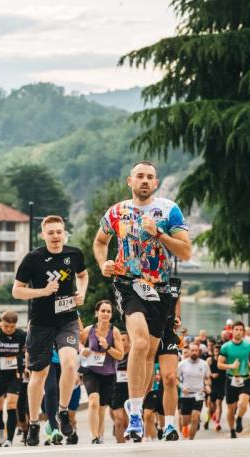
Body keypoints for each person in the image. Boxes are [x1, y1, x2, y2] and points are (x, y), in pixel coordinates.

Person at [93, 160, 191, 442]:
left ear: (156, 183)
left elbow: (185, 252)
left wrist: (159, 234)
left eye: (150, 177)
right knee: (139, 342)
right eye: (140, 176)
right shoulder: (117, 211)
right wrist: (104, 263)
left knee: (149, 353)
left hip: (159, 289)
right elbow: (100, 242)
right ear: (130, 181)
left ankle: (135, 402)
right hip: (127, 283)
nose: (145, 181)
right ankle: (135, 415)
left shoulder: (169, 210)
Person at [13, 215, 88, 446]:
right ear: (43, 235)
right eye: (51, 232)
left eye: (59, 232)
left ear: (64, 233)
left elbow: (83, 275)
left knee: (69, 363)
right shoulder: (33, 259)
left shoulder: (73, 254)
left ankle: (63, 411)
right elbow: (17, 291)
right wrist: (42, 292)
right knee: (39, 375)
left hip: (67, 320)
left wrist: (82, 292)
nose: (56, 236)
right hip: (41, 322)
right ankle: (34, 423)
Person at [80, 300, 124, 444]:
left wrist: (108, 347)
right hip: (91, 371)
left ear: (111, 315)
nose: (105, 314)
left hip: (109, 374)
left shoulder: (115, 331)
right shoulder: (88, 330)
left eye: (108, 311)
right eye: (103, 311)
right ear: (96, 313)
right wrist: (83, 350)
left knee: (101, 409)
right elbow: (77, 344)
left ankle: (99, 435)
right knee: (93, 401)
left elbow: (120, 355)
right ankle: (94, 436)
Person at [0, 310, 26, 447]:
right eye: (6, 326)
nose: (8, 329)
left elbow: (28, 351)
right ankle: (1, 427)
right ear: (1, 323)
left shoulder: (21, 335)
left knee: (12, 405)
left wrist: (26, 365)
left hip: (14, 374)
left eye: (12, 327)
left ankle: (9, 439)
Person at [155, 277, 184, 441]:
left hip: (168, 335)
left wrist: (177, 316)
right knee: (146, 381)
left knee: (170, 378)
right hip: (149, 334)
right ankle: (136, 411)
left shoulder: (173, 282)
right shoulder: (139, 276)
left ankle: (169, 425)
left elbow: (177, 297)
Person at [218, 321, 250, 439]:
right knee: (231, 408)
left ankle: (239, 418)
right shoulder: (226, 347)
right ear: (232, 331)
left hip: (245, 379)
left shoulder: (248, 346)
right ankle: (232, 430)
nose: (238, 332)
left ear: (243, 332)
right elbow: (220, 364)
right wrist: (231, 366)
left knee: (243, 403)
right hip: (230, 380)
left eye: (241, 330)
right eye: (236, 329)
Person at [177, 343, 210, 440]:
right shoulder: (182, 364)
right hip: (185, 395)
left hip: (199, 394)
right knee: (185, 421)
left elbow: (207, 378)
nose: (194, 352)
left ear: (199, 352)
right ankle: (185, 428)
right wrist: (182, 387)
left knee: (195, 418)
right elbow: (176, 378)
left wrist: (207, 385)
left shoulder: (204, 364)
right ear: (189, 351)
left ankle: (191, 441)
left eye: (196, 350)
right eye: (192, 350)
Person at [110, 332, 131, 443]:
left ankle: (138, 443)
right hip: (116, 390)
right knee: (119, 421)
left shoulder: (134, 355)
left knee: (128, 422)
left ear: (129, 342)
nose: (121, 342)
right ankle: (120, 446)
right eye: (119, 340)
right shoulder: (114, 354)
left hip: (131, 391)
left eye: (123, 340)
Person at [206, 341, 225, 431]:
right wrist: (211, 375)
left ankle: (217, 422)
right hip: (212, 385)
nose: (217, 351)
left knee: (219, 403)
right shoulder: (209, 360)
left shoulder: (224, 360)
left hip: (221, 385)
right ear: (213, 351)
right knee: (211, 406)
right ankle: (207, 420)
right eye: (215, 350)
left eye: (218, 350)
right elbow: (205, 373)